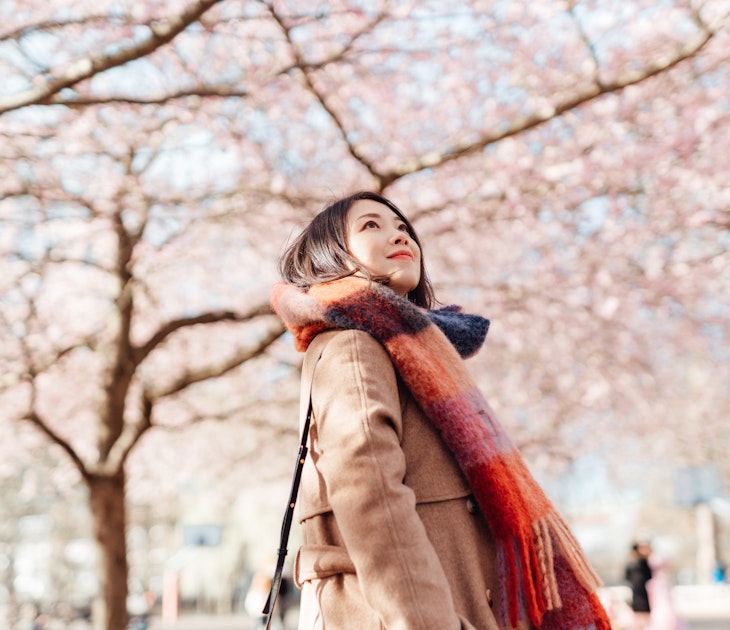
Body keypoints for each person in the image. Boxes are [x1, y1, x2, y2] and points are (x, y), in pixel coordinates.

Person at [271, 191, 611, 630]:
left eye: (402, 226)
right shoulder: (352, 346)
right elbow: (370, 494)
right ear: (329, 253)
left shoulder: (416, 352)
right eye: (371, 225)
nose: (398, 235)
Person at [624, 541, 653, 630]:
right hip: (641, 595)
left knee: (639, 621)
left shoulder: (633, 564)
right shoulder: (642, 563)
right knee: (642, 621)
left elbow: (627, 578)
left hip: (638, 595)